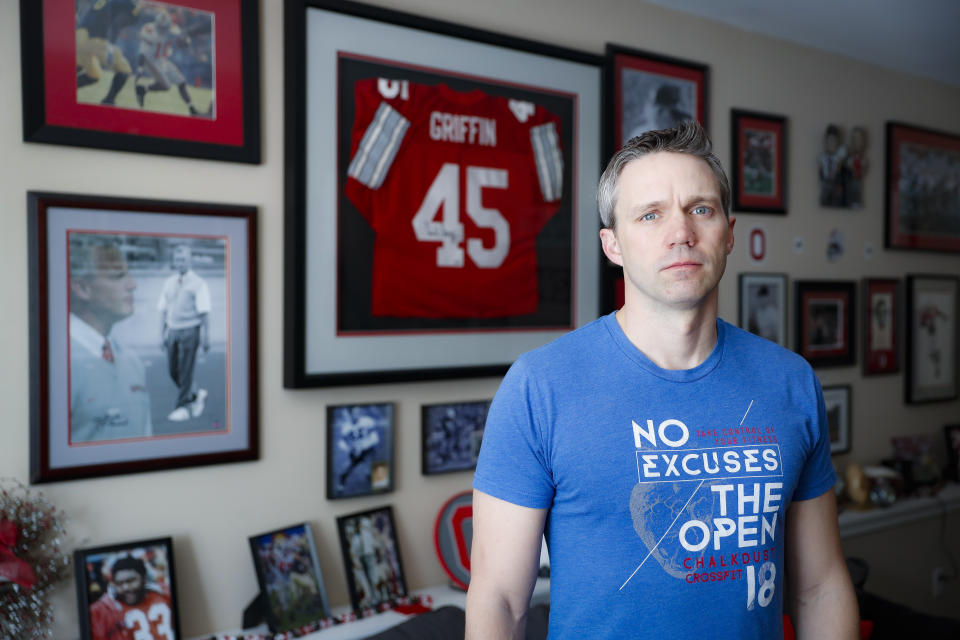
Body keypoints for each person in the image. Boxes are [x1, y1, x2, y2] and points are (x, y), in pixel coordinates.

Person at [467, 122, 858, 639]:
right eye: (650, 215)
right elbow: (499, 601)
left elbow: (820, 586)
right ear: (613, 245)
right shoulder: (540, 387)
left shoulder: (790, 382)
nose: (681, 232)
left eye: (701, 209)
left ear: (729, 232)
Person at [69, 237, 151, 442]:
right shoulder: (57, 362)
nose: (133, 285)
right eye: (117, 276)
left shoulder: (132, 361)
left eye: (129, 275)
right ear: (81, 288)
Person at [157, 244, 210, 422]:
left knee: (186, 371)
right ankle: (196, 394)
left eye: (184, 259)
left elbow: (204, 312)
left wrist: (206, 336)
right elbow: (163, 310)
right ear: (174, 261)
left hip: (190, 330)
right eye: (178, 259)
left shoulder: (199, 283)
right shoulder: (168, 283)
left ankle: (182, 408)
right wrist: (161, 334)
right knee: (173, 371)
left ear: (190, 261)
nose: (180, 262)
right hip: (172, 330)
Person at [88, 555, 174, 640]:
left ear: (144, 579)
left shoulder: (162, 593)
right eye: (119, 583)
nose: (125, 588)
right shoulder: (103, 611)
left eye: (131, 581)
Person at [134, 9, 202, 115]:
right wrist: (140, 69)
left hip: (163, 60)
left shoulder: (172, 30)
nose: (162, 29)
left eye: (164, 27)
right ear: (156, 24)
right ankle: (143, 89)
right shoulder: (149, 30)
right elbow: (143, 52)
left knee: (182, 82)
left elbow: (182, 40)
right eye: (160, 27)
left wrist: (185, 42)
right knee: (166, 86)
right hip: (150, 60)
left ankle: (192, 109)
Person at [75, 0, 143, 105]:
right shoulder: (130, 5)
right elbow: (117, 24)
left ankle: (61, 89)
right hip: (94, 37)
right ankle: (108, 101)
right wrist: (110, 48)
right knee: (124, 70)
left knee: (93, 74)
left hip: (80, 35)